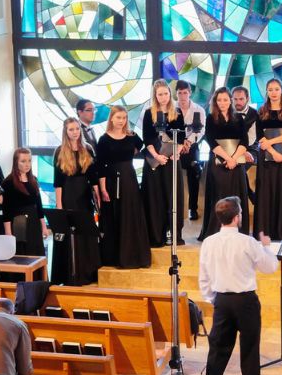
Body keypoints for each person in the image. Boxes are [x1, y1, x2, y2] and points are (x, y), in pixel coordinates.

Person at [199, 197, 279, 375]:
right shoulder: (248, 242)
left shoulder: (208, 242)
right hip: (246, 303)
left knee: (217, 350)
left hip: (222, 302)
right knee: (250, 351)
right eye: (241, 213)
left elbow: (204, 277)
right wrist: (267, 247)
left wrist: (214, 300)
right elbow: (269, 267)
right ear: (236, 218)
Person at [97, 106, 152, 269]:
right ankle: (116, 256)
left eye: (124, 118)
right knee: (116, 214)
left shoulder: (132, 136)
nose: (121, 121)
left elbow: (140, 146)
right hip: (112, 179)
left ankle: (134, 255)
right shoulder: (104, 139)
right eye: (118, 117)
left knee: (131, 214)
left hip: (129, 177)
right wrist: (103, 188)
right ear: (112, 118)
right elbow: (100, 165)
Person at [52, 118, 101, 285]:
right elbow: (57, 182)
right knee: (70, 233)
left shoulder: (88, 149)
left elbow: (94, 178)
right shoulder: (60, 151)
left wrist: (98, 198)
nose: (75, 132)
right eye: (71, 129)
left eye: (77, 129)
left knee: (85, 232)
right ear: (66, 132)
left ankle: (87, 273)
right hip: (68, 194)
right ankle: (69, 274)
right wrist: (59, 206)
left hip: (85, 195)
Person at [200, 87, 252, 241]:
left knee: (237, 196)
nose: (222, 103)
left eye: (225, 100)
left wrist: (234, 159)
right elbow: (211, 141)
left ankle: (238, 231)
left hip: (236, 164)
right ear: (215, 102)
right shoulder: (210, 118)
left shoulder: (239, 119)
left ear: (230, 101)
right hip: (218, 163)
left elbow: (244, 141)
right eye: (219, 100)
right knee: (220, 195)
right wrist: (227, 159)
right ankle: (217, 231)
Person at [254, 78, 282, 240]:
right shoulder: (261, 111)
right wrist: (273, 152)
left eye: (276, 89)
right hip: (266, 158)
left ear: (281, 91)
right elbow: (260, 136)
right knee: (267, 192)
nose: (273, 92)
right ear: (267, 92)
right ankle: (267, 230)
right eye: (270, 89)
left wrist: (271, 143)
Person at [143, 79, 187, 247]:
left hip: (172, 159)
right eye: (160, 94)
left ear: (170, 94)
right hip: (155, 160)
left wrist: (177, 151)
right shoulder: (149, 113)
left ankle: (174, 233)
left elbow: (182, 136)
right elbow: (147, 138)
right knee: (156, 196)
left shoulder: (177, 112)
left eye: (166, 93)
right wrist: (156, 156)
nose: (163, 97)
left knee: (172, 195)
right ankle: (157, 234)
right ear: (155, 95)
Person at [1, 148, 49, 258]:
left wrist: (44, 226)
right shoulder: (8, 183)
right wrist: (8, 232)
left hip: (34, 222)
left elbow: (39, 206)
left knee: (36, 253)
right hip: (19, 223)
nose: (27, 164)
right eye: (23, 161)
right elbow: (6, 210)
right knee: (22, 254)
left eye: (29, 160)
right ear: (16, 162)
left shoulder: (33, 180)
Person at [176, 80, 206, 221]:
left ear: (190, 93)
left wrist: (188, 142)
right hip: (175, 145)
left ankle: (192, 209)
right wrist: (180, 144)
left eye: (185, 92)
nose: (183, 96)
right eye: (180, 93)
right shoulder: (172, 108)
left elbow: (201, 130)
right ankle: (173, 206)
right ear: (176, 94)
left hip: (191, 146)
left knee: (194, 173)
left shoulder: (199, 110)